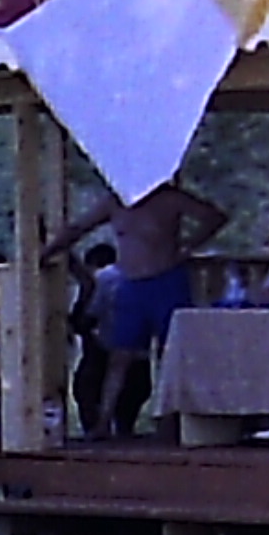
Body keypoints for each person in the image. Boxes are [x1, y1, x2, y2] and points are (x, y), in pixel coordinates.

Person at [42, 181, 227, 440]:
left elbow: (214, 216)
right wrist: (46, 252)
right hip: (130, 284)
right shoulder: (114, 201)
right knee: (120, 356)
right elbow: (79, 228)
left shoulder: (169, 198)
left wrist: (189, 245)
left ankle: (172, 423)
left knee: (171, 355)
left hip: (167, 280)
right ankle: (104, 422)